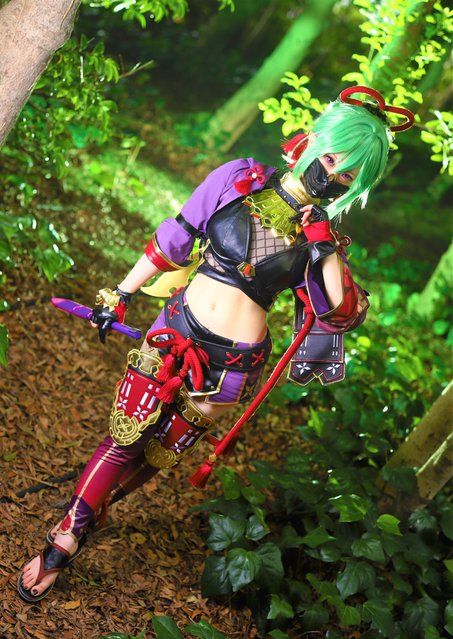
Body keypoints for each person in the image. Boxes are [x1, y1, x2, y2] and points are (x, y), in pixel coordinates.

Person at [18, 86, 414, 602]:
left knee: (157, 454)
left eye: (347, 175)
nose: (332, 174)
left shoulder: (323, 240)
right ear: (314, 139)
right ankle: (66, 538)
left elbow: (341, 312)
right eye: (333, 158)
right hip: (175, 329)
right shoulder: (239, 178)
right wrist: (120, 293)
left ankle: (95, 507)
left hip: (232, 368)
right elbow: (175, 236)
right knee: (125, 436)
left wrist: (321, 243)